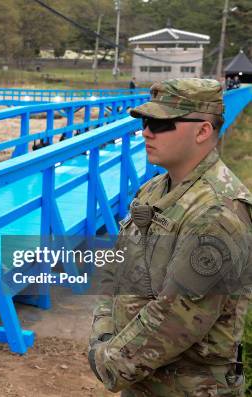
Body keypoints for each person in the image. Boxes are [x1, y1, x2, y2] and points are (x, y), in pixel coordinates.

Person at [87, 78, 251, 396]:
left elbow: (176, 317)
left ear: (202, 131)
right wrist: (104, 332)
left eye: (161, 124)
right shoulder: (155, 189)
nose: (147, 131)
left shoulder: (218, 213)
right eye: (147, 122)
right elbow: (118, 268)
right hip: (142, 382)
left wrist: (108, 361)